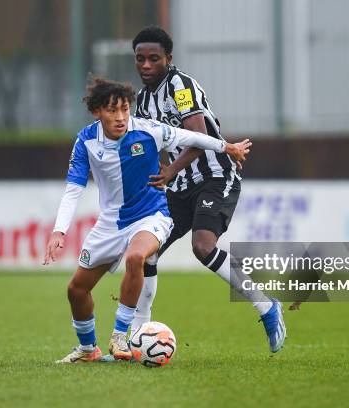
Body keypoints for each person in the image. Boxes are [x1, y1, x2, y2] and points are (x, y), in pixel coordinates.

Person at [43, 76, 252, 363]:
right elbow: (73, 189)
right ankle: (88, 350)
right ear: (97, 112)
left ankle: (120, 335)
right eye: (112, 111)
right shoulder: (85, 142)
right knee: (76, 290)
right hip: (110, 223)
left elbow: (192, 137)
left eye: (125, 110)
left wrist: (228, 147)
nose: (120, 118)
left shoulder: (148, 130)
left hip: (151, 215)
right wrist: (59, 232)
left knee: (136, 257)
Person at [131, 26, 286, 353]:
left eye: (153, 59)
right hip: (180, 185)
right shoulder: (142, 101)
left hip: (215, 176)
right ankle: (138, 333)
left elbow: (198, 136)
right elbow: (151, 145)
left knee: (203, 247)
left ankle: (266, 306)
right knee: (147, 250)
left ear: (168, 59)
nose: (146, 65)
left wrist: (169, 170)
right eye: (140, 59)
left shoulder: (180, 87)